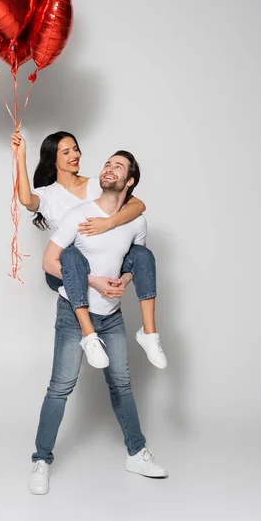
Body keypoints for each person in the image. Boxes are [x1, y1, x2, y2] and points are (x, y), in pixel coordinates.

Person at [28, 150, 168, 495]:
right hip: (74, 316)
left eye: (117, 166)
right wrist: (93, 281)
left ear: (129, 181)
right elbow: (49, 263)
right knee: (60, 388)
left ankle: (136, 453)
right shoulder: (78, 215)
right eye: (107, 163)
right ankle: (41, 460)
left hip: (111, 316)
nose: (108, 168)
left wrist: (124, 281)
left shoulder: (135, 220)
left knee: (121, 385)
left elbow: (135, 261)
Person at [10, 130, 167, 370]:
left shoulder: (97, 184)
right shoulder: (48, 195)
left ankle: (149, 332)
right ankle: (89, 336)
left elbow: (139, 205)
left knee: (142, 254)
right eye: (66, 152)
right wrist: (20, 156)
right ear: (54, 159)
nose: (75, 154)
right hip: (67, 266)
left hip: (105, 261)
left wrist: (108, 223)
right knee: (72, 254)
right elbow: (25, 199)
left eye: (75, 148)